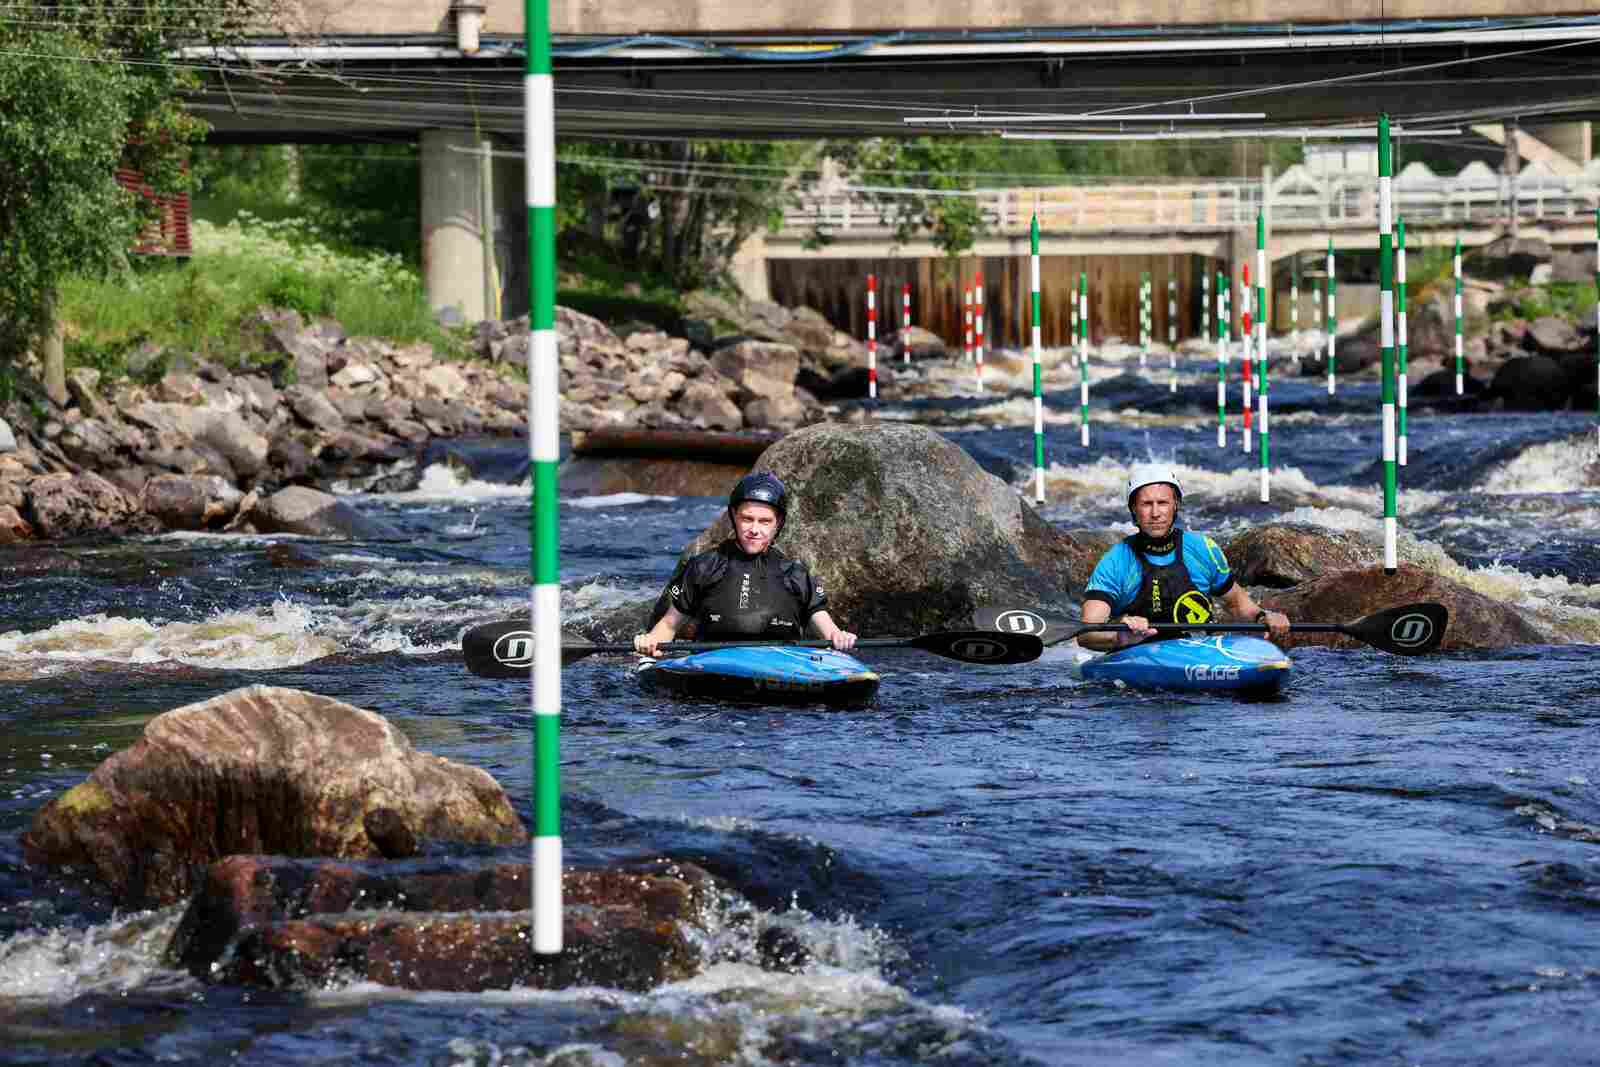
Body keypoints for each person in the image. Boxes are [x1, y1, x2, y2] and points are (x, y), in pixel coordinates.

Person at [633, 471, 858, 657]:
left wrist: (839, 637)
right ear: (734, 515)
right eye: (747, 519)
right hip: (714, 668)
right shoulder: (703, 567)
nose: (754, 529)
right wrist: (650, 642)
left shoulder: (795, 573)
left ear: (778, 523)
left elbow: (828, 630)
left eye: (765, 521)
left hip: (782, 667)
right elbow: (670, 625)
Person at [1077, 462, 1290, 652]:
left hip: (1198, 652)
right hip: (1139, 655)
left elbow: (1237, 604)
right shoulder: (1116, 561)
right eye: (1146, 504)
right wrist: (1119, 636)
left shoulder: (1202, 549)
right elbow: (1087, 633)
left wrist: (1263, 616)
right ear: (1133, 509)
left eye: (1162, 503)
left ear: (1175, 505)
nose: (1155, 513)